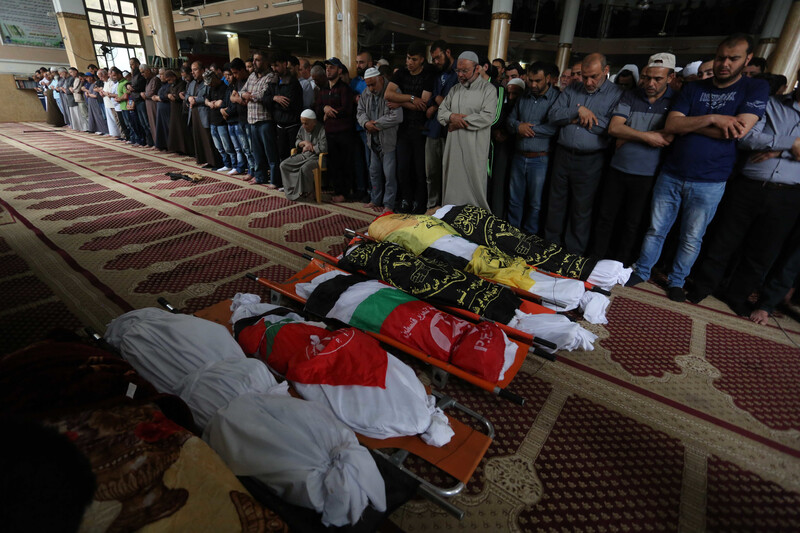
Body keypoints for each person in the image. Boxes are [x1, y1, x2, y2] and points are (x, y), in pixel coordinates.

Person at [626, 34, 770, 302]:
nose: (724, 63)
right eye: (720, 58)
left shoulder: (754, 88)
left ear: (747, 59)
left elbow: (737, 131)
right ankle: (642, 270)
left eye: (733, 58)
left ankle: (677, 281)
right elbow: (672, 126)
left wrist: (691, 124)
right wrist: (715, 118)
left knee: (692, 237)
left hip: (710, 179)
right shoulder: (694, 89)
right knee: (656, 229)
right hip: (672, 172)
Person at [687, 80, 800, 314]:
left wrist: (778, 149)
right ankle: (703, 285)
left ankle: (736, 296)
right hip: (748, 185)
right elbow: (747, 137)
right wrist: (791, 144)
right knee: (723, 239)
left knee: (763, 251)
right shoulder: (771, 104)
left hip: (789, 193)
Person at [591, 53, 677, 264]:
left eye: (657, 79)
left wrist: (628, 134)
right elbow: (614, 128)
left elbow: (667, 137)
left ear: (670, 78)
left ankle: (620, 263)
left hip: (648, 173)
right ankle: (595, 259)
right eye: (647, 77)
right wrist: (646, 136)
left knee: (633, 222)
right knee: (605, 217)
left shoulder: (676, 101)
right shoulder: (631, 96)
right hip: (618, 167)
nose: (650, 83)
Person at [545, 53, 624, 254]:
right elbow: (553, 115)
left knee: (581, 209)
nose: (588, 82)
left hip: (591, 160)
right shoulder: (573, 88)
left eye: (594, 77)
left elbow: (607, 127)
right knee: (556, 204)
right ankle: (550, 247)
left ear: (606, 71)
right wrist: (578, 111)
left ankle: (573, 253)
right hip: (563, 154)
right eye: (584, 76)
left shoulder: (617, 94)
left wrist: (576, 117)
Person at [437, 51, 498, 211]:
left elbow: (487, 117)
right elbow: (441, 112)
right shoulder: (455, 89)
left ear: (477, 68)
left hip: (474, 148)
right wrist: (451, 117)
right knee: (452, 184)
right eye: (458, 71)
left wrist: (457, 122)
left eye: (465, 71)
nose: (461, 75)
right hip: (453, 147)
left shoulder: (489, 90)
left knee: (474, 186)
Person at [506, 62, 559, 234]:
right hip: (519, 155)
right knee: (514, 200)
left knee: (535, 203)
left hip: (540, 159)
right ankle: (513, 235)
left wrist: (526, 129)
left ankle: (530, 238)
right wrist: (517, 127)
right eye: (530, 80)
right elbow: (510, 120)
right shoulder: (524, 97)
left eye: (538, 81)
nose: (533, 85)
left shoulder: (557, 98)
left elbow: (553, 128)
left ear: (548, 79)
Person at [385, 42, 436, 213]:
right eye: (408, 58)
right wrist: (412, 98)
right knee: (403, 167)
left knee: (419, 169)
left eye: (414, 59)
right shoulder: (401, 74)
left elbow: (423, 106)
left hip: (421, 129)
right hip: (403, 128)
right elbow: (388, 94)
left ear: (422, 60)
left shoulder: (428, 75)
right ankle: (406, 199)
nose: (409, 62)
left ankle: (419, 202)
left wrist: (400, 102)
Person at [357, 67, 402, 212]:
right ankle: (375, 200)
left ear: (381, 79)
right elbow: (360, 112)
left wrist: (375, 125)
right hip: (372, 141)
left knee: (389, 175)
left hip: (388, 141)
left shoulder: (392, 91)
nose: (370, 88)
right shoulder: (366, 93)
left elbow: (397, 116)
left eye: (373, 85)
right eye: (368, 85)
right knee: (374, 172)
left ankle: (389, 204)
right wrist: (365, 123)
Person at [314, 57, 355, 202]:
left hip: (344, 132)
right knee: (334, 164)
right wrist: (324, 108)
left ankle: (345, 193)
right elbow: (317, 108)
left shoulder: (345, 89)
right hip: (330, 132)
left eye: (331, 67)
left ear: (339, 70)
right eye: (327, 67)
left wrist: (329, 113)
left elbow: (346, 109)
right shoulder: (323, 89)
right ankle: (337, 191)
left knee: (345, 164)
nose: (328, 70)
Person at [424, 40, 458, 210]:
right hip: (433, 128)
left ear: (448, 52)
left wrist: (438, 103)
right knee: (431, 172)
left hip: (449, 130)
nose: (436, 61)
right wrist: (435, 101)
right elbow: (431, 96)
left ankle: (446, 208)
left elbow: (454, 102)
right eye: (434, 59)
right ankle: (432, 206)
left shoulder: (458, 73)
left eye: (438, 57)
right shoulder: (437, 73)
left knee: (448, 173)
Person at [239, 51, 279, 186]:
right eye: (254, 60)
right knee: (257, 153)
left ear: (266, 62)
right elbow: (241, 91)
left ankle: (274, 180)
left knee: (270, 153)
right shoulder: (251, 76)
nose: (254, 63)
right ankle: (260, 177)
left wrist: (249, 96)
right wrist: (246, 95)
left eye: (258, 60)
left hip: (265, 120)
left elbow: (263, 94)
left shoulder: (271, 76)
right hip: (251, 120)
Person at [268, 51, 304, 187]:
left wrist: (273, 103)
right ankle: (283, 182)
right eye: (272, 66)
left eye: (276, 66)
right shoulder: (274, 81)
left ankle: (293, 184)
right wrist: (274, 98)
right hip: (279, 125)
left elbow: (288, 105)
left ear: (284, 65)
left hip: (292, 126)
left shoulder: (293, 83)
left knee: (293, 157)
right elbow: (265, 99)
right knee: (281, 156)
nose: (274, 69)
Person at [280, 109, 327, 201]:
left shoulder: (321, 128)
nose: (304, 126)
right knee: (284, 165)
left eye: (306, 124)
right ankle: (293, 191)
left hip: (317, 158)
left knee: (305, 168)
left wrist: (311, 147)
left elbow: (324, 147)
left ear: (314, 122)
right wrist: (304, 143)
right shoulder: (302, 128)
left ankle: (308, 192)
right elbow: (297, 141)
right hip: (304, 155)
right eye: (302, 123)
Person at [186, 62, 221, 169]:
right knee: (199, 138)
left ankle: (215, 162)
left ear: (202, 70)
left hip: (204, 112)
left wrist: (195, 99)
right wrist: (189, 98)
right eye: (192, 70)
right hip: (194, 113)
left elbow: (207, 97)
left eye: (195, 70)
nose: (193, 72)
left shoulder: (207, 82)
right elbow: (187, 95)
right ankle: (206, 160)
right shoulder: (192, 83)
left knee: (208, 138)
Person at [227, 58, 254, 179]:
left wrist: (239, 98)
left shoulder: (251, 80)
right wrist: (238, 98)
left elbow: (247, 101)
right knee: (245, 148)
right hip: (240, 119)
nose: (234, 76)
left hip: (250, 118)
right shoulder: (238, 82)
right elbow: (232, 97)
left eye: (236, 73)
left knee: (252, 148)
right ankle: (250, 170)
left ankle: (255, 171)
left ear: (242, 70)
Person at [205, 69, 237, 173]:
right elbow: (206, 99)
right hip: (212, 120)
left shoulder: (224, 88)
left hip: (221, 121)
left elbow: (222, 103)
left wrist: (215, 103)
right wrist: (210, 103)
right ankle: (226, 164)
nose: (210, 85)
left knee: (228, 146)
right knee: (219, 146)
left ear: (214, 79)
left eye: (210, 83)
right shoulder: (210, 88)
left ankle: (234, 165)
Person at [153, 69, 173, 150]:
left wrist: (158, 98)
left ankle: (170, 145)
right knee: (162, 128)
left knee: (168, 128)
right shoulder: (162, 85)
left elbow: (168, 96)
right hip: (161, 110)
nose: (160, 76)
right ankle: (163, 145)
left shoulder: (170, 85)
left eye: (162, 74)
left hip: (168, 109)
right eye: (159, 74)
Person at [144, 65, 162, 145]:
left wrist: (144, 94)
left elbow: (152, 92)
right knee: (151, 124)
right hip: (148, 104)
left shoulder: (155, 79)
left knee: (156, 123)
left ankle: (159, 143)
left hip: (153, 104)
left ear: (148, 71)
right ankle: (156, 143)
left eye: (143, 72)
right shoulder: (148, 80)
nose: (142, 74)